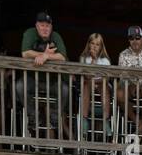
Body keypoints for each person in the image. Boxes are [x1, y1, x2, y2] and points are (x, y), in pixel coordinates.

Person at [20, 11, 69, 140]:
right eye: (42, 25)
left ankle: (54, 119)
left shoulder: (56, 36)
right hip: (33, 79)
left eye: (47, 25)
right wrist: (42, 54)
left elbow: (62, 57)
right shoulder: (30, 33)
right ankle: (33, 117)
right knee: (19, 86)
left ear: (51, 27)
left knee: (64, 89)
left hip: (52, 81)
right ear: (36, 26)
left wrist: (46, 56)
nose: (45, 28)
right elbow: (25, 53)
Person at [78, 32, 112, 137]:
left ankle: (106, 121)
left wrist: (96, 81)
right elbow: (86, 76)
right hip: (88, 84)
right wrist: (92, 60)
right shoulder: (84, 58)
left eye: (97, 44)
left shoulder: (105, 60)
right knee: (86, 84)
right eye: (92, 43)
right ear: (88, 44)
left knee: (104, 86)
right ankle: (84, 120)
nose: (94, 46)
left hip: (102, 84)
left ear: (101, 47)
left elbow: (107, 78)